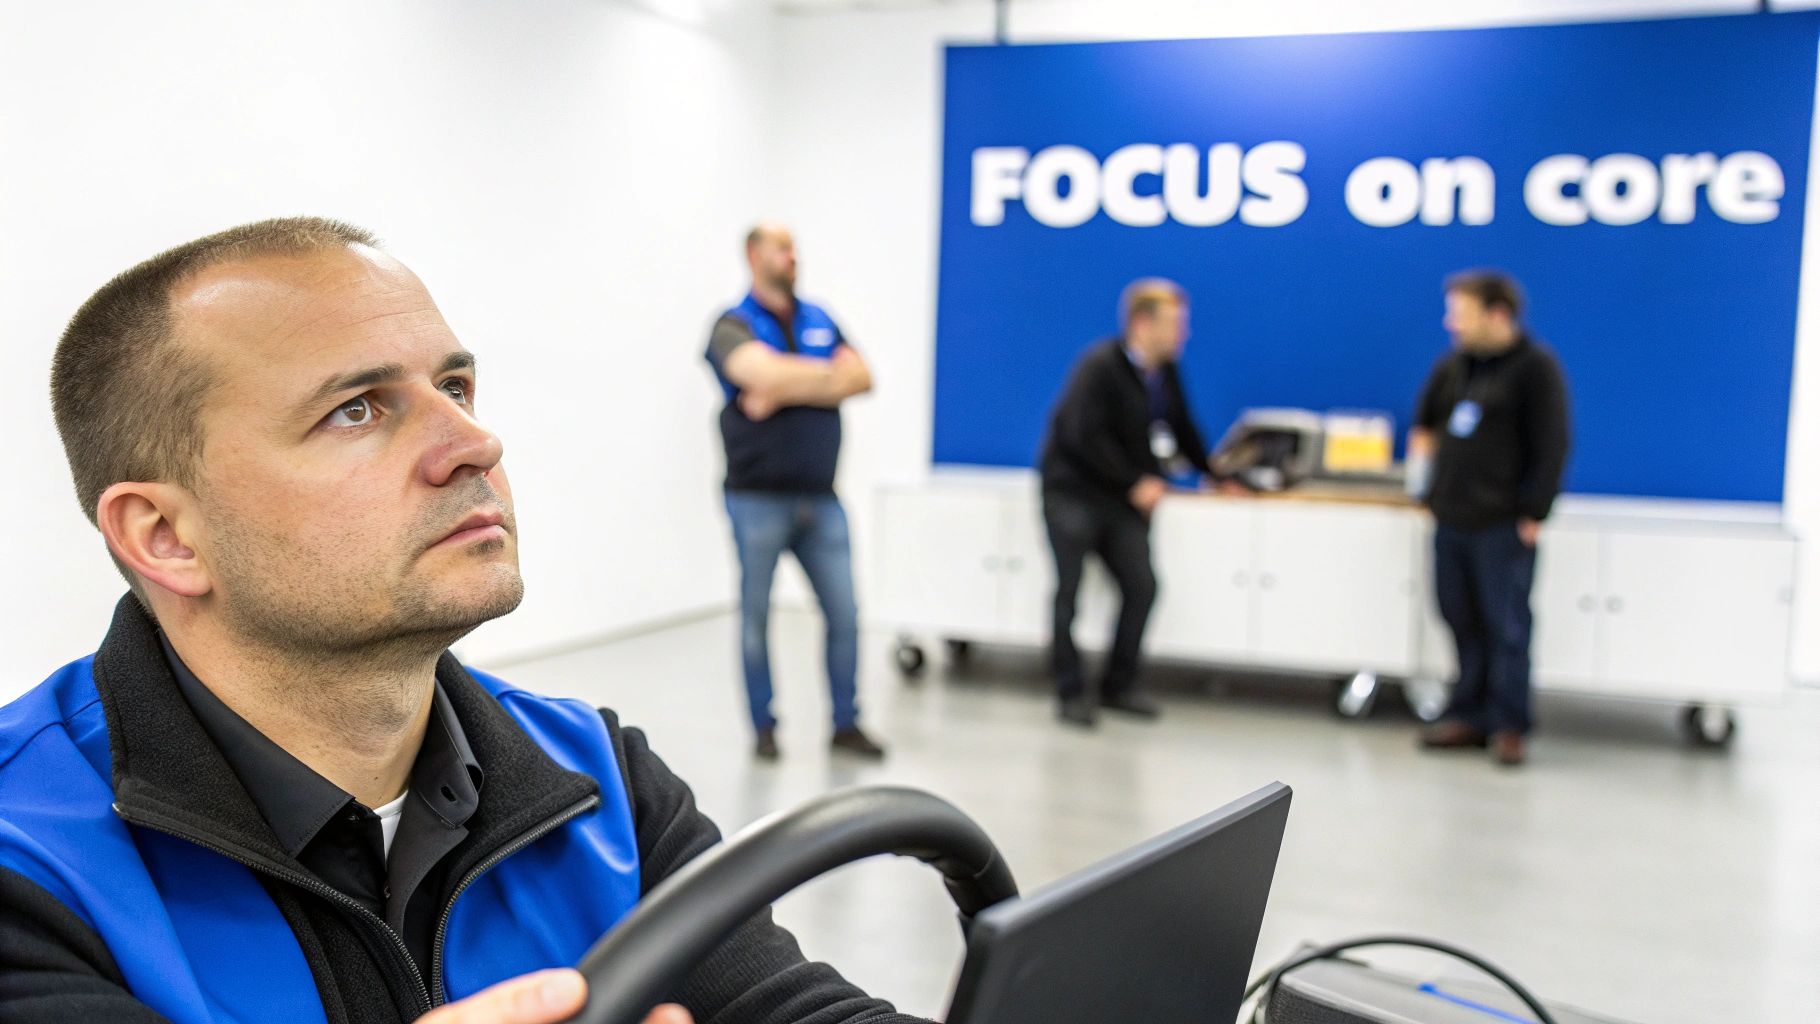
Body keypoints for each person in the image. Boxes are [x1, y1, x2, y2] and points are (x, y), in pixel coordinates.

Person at [0, 218, 932, 1024]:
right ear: (165, 535)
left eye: (454, 388)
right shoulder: (30, 859)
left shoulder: (593, 778)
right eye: (356, 410)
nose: (474, 444)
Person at [704, 224, 884, 762]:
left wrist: (780, 385)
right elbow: (753, 370)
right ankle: (764, 727)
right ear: (754, 255)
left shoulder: (820, 316)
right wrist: (827, 379)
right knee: (757, 621)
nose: (792, 256)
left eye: (795, 247)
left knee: (846, 615)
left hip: (823, 499)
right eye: (782, 247)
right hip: (756, 500)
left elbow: (865, 376)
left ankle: (846, 723)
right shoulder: (731, 324)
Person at [1037, 279, 1214, 728]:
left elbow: (1182, 426)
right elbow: (1082, 436)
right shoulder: (1099, 366)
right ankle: (1071, 692)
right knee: (1068, 591)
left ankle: (1119, 685)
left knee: (1142, 586)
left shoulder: (1165, 372)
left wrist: (1217, 474)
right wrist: (1135, 481)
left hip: (1119, 501)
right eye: (1175, 324)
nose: (1182, 335)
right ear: (1142, 323)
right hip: (1073, 493)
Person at [1411, 270, 1571, 768]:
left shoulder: (1535, 369)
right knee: (1459, 617)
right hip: (1452, 519)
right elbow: (1425, 425)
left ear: (1497, 313)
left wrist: (1534, 511)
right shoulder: (1454, 368)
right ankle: (1468, 715)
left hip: (1502, 523)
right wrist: (1425, 488)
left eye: (1461, 313)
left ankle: (1509, 724)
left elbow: (1553, 444)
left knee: (1507, 627)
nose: (1451, 323)